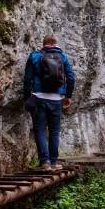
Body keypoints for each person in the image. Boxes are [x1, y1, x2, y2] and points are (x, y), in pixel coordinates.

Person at [23, 34, 75, 170]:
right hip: (57, 99)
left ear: (43, 43)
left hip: (39, 97)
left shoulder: (35, 55)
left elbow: (27, 79)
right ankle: (53, 162)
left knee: (39, 129)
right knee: (54, 131)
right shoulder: (63, 57)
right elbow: (71, 77)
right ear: (56, 44)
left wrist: (26, 97)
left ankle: (44, 162)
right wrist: (67, 96)